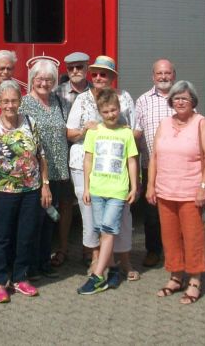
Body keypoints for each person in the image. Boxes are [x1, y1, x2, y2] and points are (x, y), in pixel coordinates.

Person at [0, 80, 52, 303]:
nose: (10, 105)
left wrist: (45, 184)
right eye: (6, 101)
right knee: (0, 238)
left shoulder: (30, 122)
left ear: (20, 101)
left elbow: (42, 156)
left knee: (26, 235)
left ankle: (20, 278)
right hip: (1, 191)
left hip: (30, 190)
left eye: (14, 100)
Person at [67, 55, 138, 284]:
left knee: (123, 216)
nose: (98, 78)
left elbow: (135, 131)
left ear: (112, 77)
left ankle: (124, 260)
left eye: (103, 74)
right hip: (84, 165)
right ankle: (96, 258)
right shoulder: (82, 99)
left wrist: (121, 130)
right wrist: (85, 130)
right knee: (90, 216)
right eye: (95, 73)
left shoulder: (124, 98)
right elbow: (69, 132)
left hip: (117, 170)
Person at [146, 80, 205, 305]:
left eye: (184, 98)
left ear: (193, 101)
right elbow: (155, 156)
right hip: (166, 191)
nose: (180, 102)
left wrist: (203, 187)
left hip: (191, 192)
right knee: (170, 237)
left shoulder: (201, 123)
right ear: (171, 101)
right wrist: (150, 185)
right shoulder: (165, 124)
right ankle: (176, 276)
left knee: (193, 237)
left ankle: (195, 279)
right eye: (176, 98)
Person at [77, 88, 139, 294]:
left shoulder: (126, 133)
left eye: (114, 110)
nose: (111, 114)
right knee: (102, 230)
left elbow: (131, 161)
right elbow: (88, 160)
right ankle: (112, 268)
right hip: (96, 189)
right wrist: (86, 187)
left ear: (119, 109)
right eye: (106, 112)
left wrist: (134, 186)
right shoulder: (94, 132)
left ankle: (97, 276)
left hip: (117, 190)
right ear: (100, 112)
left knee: (109, 230)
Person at [19, 58, 69, 278]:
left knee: (50, 217)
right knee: (34, 220)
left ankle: (44, 262)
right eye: (40, 79)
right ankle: (30, 266)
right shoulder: (25, 104)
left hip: (58, 170)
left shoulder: (57, 101)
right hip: (36, 172)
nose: (44, 83)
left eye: (49, 79)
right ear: (32, 80)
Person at [132, 58, 176, 269]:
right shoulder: (143, 101)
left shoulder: (182, 97)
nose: (163, 77)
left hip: (178, 168)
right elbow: (137, 133)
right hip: (150, 166)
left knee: (176, 211)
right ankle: (153, 251)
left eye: (167, 73)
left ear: (173, 75)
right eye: (159, 73)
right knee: (151, 214)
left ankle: (175, 251)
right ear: (153, 76)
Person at [51, 51, 91, 267]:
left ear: (87, 68)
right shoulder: (58, 93)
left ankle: (88, 250)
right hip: (65, 153)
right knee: (66, 204)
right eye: (71, 68)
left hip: (91, 155)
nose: (75, 71)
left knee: (88, 203)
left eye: (80, 67)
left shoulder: (96, 92)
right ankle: (63, 249)